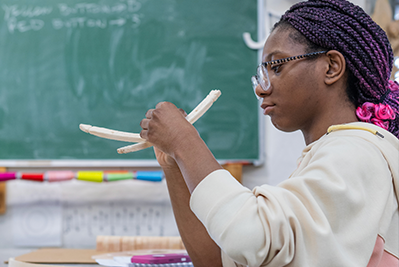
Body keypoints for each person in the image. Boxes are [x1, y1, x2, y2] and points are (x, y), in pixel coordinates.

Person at [139, 0, 399, 266]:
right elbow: (218, 260)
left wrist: (184, 141)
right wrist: (174, 163)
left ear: (331, 67)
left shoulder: (355, 153)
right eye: (261, 73)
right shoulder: (332, 155)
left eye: (276, 67)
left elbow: (249, 235)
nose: (261, 89)